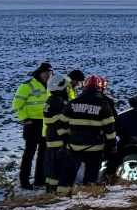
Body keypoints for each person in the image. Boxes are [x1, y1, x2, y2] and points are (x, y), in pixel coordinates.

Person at [56, 75, 118, 189]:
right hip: (95, 148)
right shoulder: (103, 105)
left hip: (74, 147)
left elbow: (61, 125)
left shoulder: (73, 103)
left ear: (84, 88)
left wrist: (66, 140)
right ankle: (87, 197)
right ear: (100, 88)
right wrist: (112, 145)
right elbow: (110, 129)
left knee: (67, 175)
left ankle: (61, 197)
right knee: (91, 176)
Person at [11, 63, 54, 192]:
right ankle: (24, 182)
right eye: (46, 73)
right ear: (40, 73)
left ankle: (39, 180)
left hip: (45, 123)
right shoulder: (27, 85)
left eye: (50, 73)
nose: (48, 76)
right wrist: (25, 119)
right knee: (29, 154)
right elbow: (17, 103)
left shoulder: (51, 86)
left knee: (43, 154)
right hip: (32, 124)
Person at [42, 70, 86, 191]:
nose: (69, 89)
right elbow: (62, 122)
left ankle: (51, 190)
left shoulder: (51, 100)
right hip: (59, 140)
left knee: (52, 168)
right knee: (63, 168)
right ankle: (61, 194)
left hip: (52, 138)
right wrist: (68, 137)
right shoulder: (59, 102)